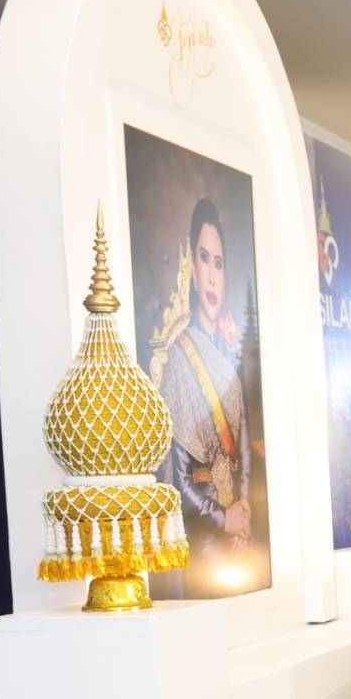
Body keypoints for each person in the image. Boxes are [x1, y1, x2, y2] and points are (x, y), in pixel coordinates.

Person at [151, 197, 252, 594]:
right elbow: (177, 481)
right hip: (204, 538)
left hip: (239, 536)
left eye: (219, 264)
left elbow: (244, 460)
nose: (211, 276)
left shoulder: (230, 367)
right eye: (204, 259)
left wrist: (243, 515)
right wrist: (224, 519)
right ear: (192, 268)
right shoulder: (180, 360)